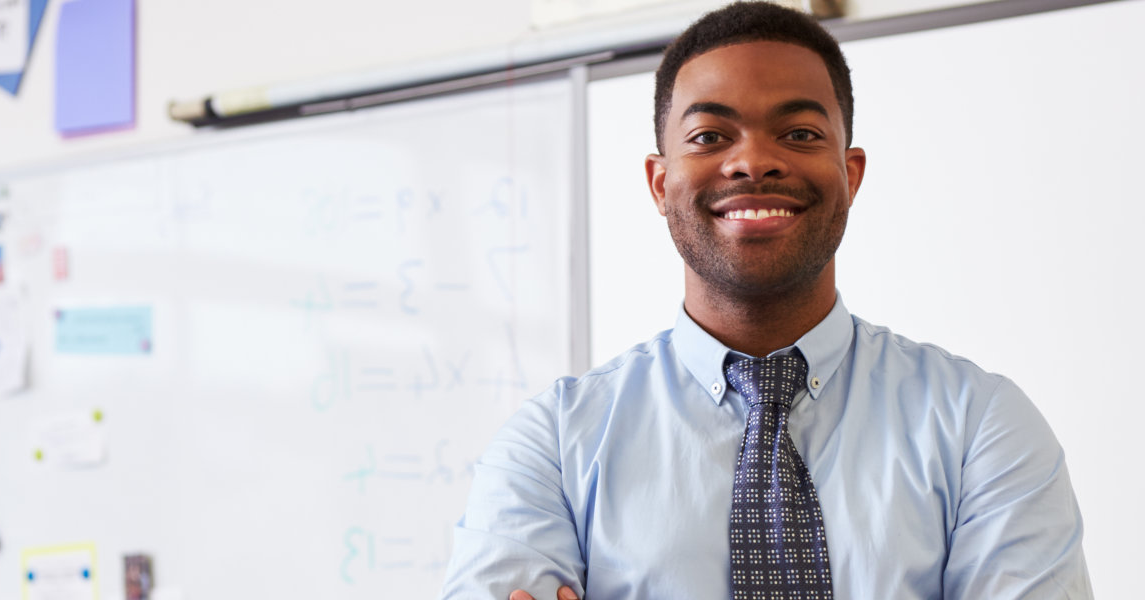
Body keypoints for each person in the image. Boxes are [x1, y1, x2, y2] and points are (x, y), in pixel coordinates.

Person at [438, 3, 1089, 599]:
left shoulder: (979, 428)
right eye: (709, 137)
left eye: (800, 133)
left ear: (850, 172)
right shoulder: (554, 446)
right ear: (660, 183)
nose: (753, 161)